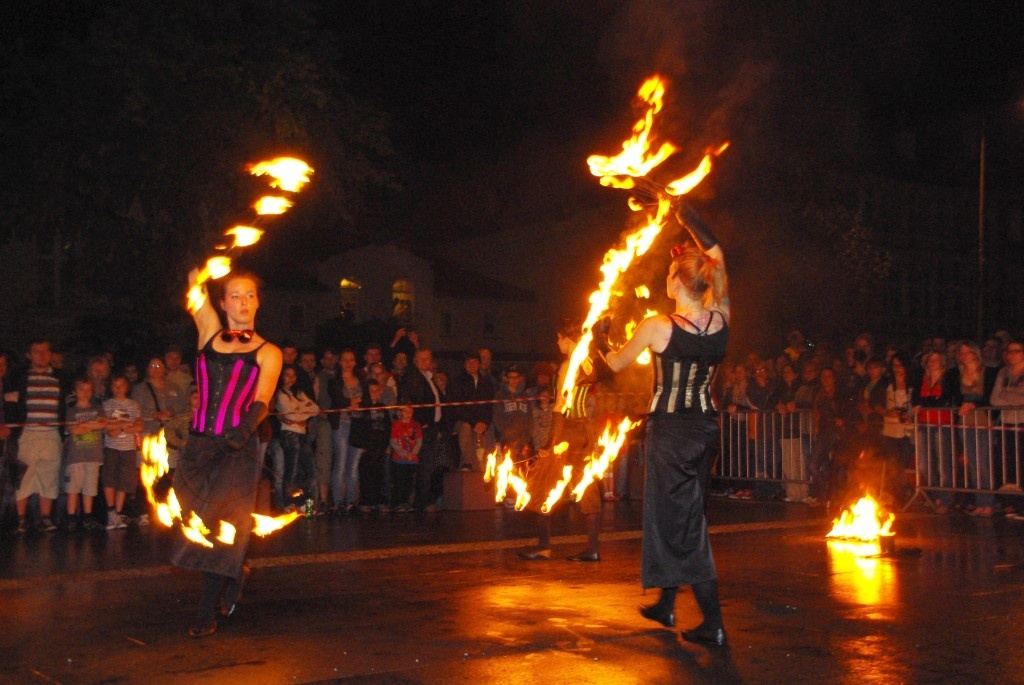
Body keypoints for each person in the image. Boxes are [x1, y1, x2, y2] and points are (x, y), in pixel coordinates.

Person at [602, 200, 730, 647]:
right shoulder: (722, 318)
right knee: (674, 514)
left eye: (671, 271)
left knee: (683, 523)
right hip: (706, 430)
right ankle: (667, 602)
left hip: (672, 433)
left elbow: (617, 363)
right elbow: (717, 254)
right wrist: (689, 217)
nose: (666, 275)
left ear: (678, 282)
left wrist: (598, 337)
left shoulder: (658, 325)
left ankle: (713, 623)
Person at [171, 268, 282, 639]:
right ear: (222, 302)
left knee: (219, 528)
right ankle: (238, 568)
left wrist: (245, 427)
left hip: (238, 448)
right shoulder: (208, 331)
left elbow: (263, 398)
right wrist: (210, 265)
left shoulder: (269, 351)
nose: (243, 302)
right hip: (200, 446)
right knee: (190, 519)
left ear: (258, 301)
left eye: (250, 295)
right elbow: (193, 281)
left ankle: (206, 611)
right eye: (235, 295)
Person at [13, 339, 67, 534]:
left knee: (49, 477)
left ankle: (45, 518)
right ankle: (20, 519)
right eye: (37, 352)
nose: (42, 356)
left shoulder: (60, 378)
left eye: (45, 351)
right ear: (29, 354)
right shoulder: (21, 377)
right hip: (28, 433)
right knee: (24, 477)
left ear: (51, 354)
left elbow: (66, 406)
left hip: (52, 434)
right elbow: (13, 404)